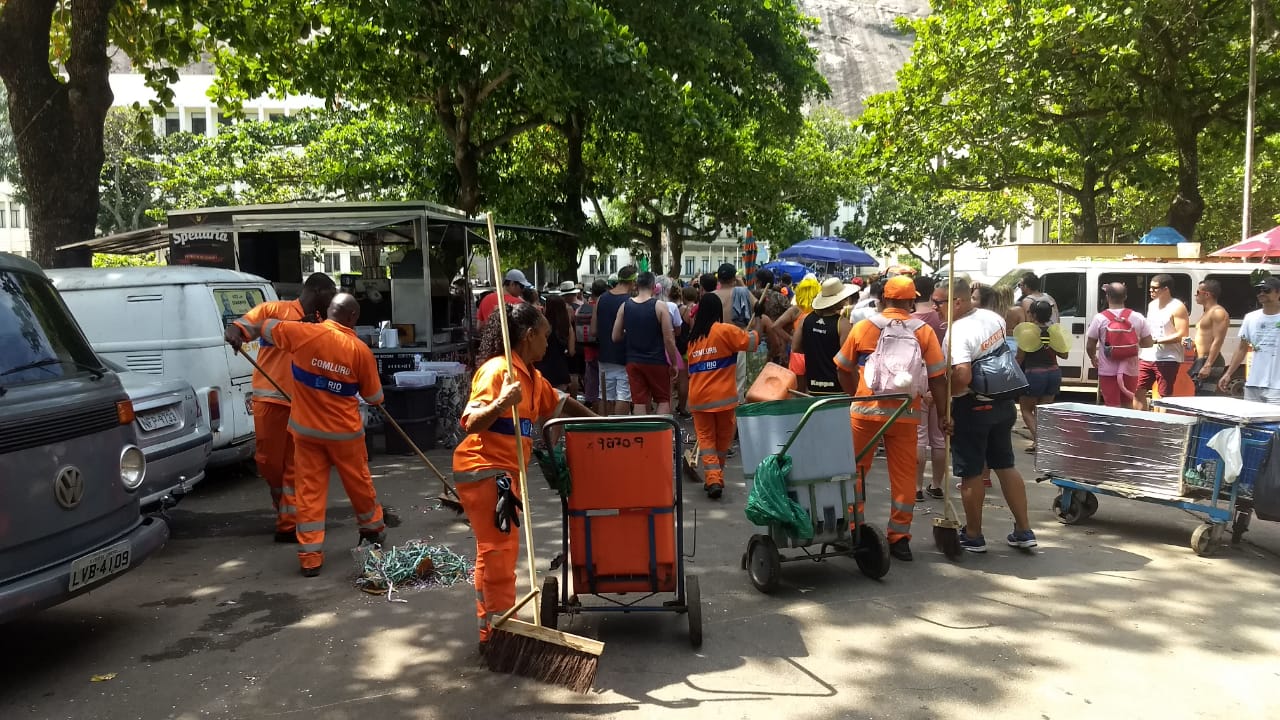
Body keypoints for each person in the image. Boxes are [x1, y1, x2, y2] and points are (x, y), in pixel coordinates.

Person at [452, 303, 595, 654]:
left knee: (498, 552)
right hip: (485, 470)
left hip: (505, 472)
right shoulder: (498, 372)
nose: (550, 343)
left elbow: (561, 403)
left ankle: (496, 627)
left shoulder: (529, 375)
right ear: (529, 336)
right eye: (545, 336)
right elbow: (470, 422)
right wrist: (501, 402)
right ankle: (498, 634)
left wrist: (602, 423)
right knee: (498, 553)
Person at [238, 294, 387, 576]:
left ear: (326, 312)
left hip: (306, 433)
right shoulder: (359, 350)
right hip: (345, 435)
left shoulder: (301, 333)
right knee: (359, 484)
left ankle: (310, 558)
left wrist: (239, 332)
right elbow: (374, 396)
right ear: (353, 318)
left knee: (308, 493)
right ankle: (373, 530)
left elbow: (265, 326)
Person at [835, 276, 948, 561]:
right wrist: (945, 415)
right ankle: (899, 539)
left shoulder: (863, 327)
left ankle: (853, 532)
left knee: (855, 472)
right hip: (904, 413)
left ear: (884, 299)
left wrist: (856, 396)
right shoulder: (923, 331)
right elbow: (937, 377)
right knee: (904, 476)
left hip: (865, 413)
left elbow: (842, 367)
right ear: (911, 301)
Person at [225, 272, 337, 541]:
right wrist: (233, 335)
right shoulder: (273, 310)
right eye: (331, 293)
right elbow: (240, 328)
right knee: (269, 463)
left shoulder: (326, 324)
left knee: (295, 466)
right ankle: (285, 511)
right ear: (319, 291)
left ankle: (289, 525)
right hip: (270, 402)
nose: (334, 300)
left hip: (305, 405)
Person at [940, 276, 1036, 553]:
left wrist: (950, 401)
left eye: (939, 302)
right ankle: (1023, 529)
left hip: (972, 407)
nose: (934, 307)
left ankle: (973, 535)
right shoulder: (993, 318)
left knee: (970, 472)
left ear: (956, 302)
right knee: (1005, 465)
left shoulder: (957, 332)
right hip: (1002, 405)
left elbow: (962, 375)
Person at [685, 293, 759, 498]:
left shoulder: (693, 339)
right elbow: (752, 343)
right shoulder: (725, 331)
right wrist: (758, 318)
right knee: (723, 440)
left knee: (707, 440)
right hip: (724, 398)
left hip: (699, 399)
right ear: (718, 311)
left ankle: (714, 478)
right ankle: (715, 477)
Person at [612, 271, 680, 415]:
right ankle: (661, 435)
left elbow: (615, 336)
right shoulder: (660, 307)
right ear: (654, 286)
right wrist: (674, 363)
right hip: (657, 361)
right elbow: (669, 339)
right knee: (662, 399)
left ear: (636, 285)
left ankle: (642, 434)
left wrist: (629, 333)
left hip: (633, 360)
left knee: (639, 401)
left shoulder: (625, 306)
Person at [1086, 282, 1154, 408]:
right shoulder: (1137, 317)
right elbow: (1149, 343)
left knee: (1111, 405)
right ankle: (1126, 427)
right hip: (1130, 370)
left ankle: (1113, 428)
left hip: (1107, 371)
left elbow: (1090, 344)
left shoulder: (1100, 318)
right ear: (1125, 297)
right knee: (1127, 405)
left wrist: (1093, 357)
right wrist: (1131, 343)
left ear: (1107, 297)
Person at [1015, 300, 1067, 452]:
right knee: (1043, 411)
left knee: (1025, 410)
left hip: (1035, 374)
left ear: (1033, 314)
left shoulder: (1028, 333)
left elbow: (1020, 357)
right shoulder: (1055, 331)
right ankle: (1040, 441)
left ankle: (1041, 441)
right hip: (1054, 373)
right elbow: (1064, 354)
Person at [913, 275, 946, 502]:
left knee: (919, 436)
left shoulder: (910, 320)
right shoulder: (942, 317)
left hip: (918, 373)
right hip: (941, 374)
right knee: (939, 436)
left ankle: (916, 487)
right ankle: (936, 485)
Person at [1220, 276, 1280, 403]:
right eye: (1259, 290)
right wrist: (1228, 373)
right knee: (1251, 422)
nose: (1261, 293)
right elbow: (1242, 348)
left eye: (1266, 290)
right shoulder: (1250, 318)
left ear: (1278, 292)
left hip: (1277, 388)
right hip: (1253, 384)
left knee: (1274, 422)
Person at [794, 277, 857, 395]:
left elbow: (795, 347)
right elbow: (847, 359)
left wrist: (815, 351)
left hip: (812, 385)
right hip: (837, 388)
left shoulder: (805, 320)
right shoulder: (842, 324)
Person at [1136, 273, 1190, 410]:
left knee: (1164, 396)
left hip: (1168, 357)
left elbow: (1182, 333)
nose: (1151, 291)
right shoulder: (1152, 305)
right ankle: (1139, 422)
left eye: (1155, 288)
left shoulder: (1177, 307)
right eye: (1150, 288)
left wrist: (1156, 341)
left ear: (1166, 289)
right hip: (1147, 355)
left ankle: (1161, 426)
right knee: (1137, 389)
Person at [591, 265, 636, 414]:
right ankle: (619, 430)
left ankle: (605, 430)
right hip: (624, 356)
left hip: (604, 354)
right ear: (633, 281)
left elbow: (593, 331)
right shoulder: (630, 302)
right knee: (623, 395)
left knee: (604, 395)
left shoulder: (601, 299)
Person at [713, 263, 756, 398]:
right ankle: (736, 411)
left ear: (718, 279)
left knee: (719, 379)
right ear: (734, 278)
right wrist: (742, 284)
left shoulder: (711, 296)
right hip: (737, 341)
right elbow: (758, 306)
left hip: (716, 341)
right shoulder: (742, 292)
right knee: (738, 381)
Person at [1191, 279, 1229, 394]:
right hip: (1201, 359)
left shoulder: (1218, 312)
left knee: (1204, 398)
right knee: (1198, 396)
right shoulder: (1207, 312)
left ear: (1207, 294)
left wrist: (1208, 365)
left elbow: (1218, 340)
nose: (1195, 295)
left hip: (1210, 361)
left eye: (1198, 292)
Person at [577, 280, 608, 412]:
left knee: (593, 390)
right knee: (605, 391)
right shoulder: (604, 307)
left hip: (588, 351)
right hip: (604, 352)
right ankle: (604, 418)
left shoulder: (581, 308)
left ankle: (595, 419)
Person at [535, 295, 575, 391]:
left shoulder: (543, 327)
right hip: (561, 370)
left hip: (543, 370)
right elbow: (572, 351)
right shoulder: (567, 327)